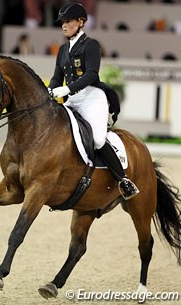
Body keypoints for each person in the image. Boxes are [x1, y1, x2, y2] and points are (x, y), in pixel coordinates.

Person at [48, 2, 139, 200]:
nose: (64, 25)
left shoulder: (91, 45)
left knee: (97, 139)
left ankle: (123, 180)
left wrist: (67, 88)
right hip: (72, 99)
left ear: (80, 22)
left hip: (91, 97)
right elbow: (57, 77)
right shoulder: (63, 50)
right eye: (62, 22)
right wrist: (50, 88)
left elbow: (91, 74)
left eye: (68, 21)